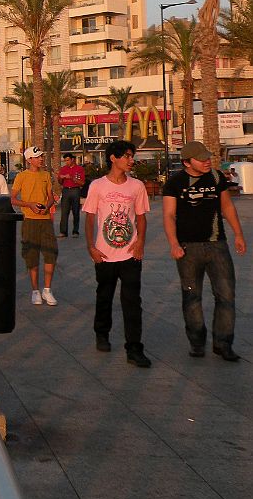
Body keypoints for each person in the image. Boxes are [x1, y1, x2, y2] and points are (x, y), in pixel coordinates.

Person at [162, 141, 247, 361]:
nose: (207, 161)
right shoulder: (175, 182)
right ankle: (197, 342)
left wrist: (238, 233)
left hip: (217, 244)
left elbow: (226, 206)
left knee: (226, 294)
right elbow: (169, 215)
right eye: (201, 159)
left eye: (208, 157)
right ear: (187, 163)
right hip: (188, 247)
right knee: (192, 296)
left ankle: (223, 343)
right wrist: (173, 244)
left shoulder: (217, 177)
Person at [83, 140, 152, 367]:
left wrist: (140, 241)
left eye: (132, 156)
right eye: (127, 156)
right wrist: (91, 247)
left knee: (132, 301)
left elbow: (141, 216)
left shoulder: (137, 186)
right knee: (104, 295)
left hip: (130, 254)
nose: (131, 160)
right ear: (113, 158)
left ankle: (134, 348)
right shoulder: (98, 186)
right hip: (104, 254)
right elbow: (90, 217)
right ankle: (101, 332)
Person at [11, 146, 60, 305]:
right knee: (31, 255)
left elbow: (51, 197)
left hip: (45, 220)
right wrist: (29, 205)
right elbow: (13, 199)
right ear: (29, 160)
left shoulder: (46, 175)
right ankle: (35, 291)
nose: (41, 159)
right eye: (37, 157)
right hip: (29, 220)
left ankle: (47, 289)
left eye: (41, 156)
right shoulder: (21, 176)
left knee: (51, 253)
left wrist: (47, 206)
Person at [57, 153, 86, 238]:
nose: (66, 162)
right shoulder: (63, 169)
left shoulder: (79, 169)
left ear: (72, 159)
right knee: (64, 212)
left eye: (68, 160)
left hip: (75, 190)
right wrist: (61, 177)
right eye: (65, 160)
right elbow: (60, 181)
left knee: (75, 211)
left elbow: (82, 182)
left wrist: (72, 178)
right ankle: (63, 232)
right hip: (66, 190)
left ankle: (75, 231)